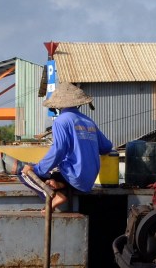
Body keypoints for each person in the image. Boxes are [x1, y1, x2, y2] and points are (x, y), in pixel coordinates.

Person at [21, 82, 113, 211]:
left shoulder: (61, 121)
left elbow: (58, 150)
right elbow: (106, 147)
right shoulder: (88, 121)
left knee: (25, 172)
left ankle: (55, 196)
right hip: (88, 180)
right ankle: (58, 184)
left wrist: (37, 170)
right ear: (78, 103)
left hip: (74, 175)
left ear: (58, 105)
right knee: (55, 171)